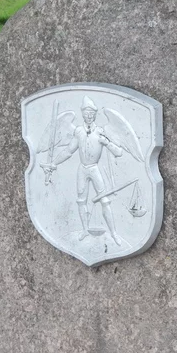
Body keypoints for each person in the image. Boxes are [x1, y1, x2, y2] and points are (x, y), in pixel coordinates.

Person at [46, 96, 124, 245]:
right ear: (82, 114)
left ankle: (114, 233)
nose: (89, 116)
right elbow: (69, 151)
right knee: (81, 201)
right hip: (82, 169)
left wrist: (107, 142)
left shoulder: (100, 131)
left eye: (91, 113)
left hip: (94, 168)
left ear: (95, 114)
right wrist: (54, 162)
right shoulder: (79, 132)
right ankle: (85, 230)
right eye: (86, 113)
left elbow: (118, 152)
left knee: (105, 200)